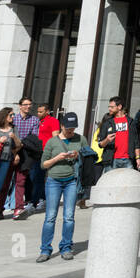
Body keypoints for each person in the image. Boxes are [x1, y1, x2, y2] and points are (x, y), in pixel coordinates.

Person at [38, 112, 86, 262]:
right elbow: (43, 164)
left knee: (69, 217)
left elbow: (90, 154)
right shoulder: (52, 142)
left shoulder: (80, 139)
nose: (71, 131)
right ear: (62, 126)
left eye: (73, 128)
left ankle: (66, 247)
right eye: (68, 128)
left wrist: (78, 154)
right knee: (50, 217)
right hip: (54, 181)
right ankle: (45, 250)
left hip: (72, 180)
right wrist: (57, 158)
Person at [11, 97, 40, 219]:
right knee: (5, 181)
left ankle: (19, 207)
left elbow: (34, 137)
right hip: (11, 151)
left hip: (26, 153)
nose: (28, 107)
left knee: (21, 181)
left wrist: (21, 143)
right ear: (20, 106)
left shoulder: (34, 120)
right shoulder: (13, 119)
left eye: (30, 104)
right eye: (26, 104)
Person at [97, 97, 140, 173]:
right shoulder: (107, 123)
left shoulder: (131, 122)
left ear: (119, 107)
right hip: (111, 160)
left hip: (128, 160)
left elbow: (136, 142)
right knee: (110, 184)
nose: (109, 109)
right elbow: (100, 144)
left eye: (112, 107)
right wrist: (107, 140)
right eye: (109, 107)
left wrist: (138, 158)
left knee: (127, 183)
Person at [31, 102, 59, 212]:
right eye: (37, 111)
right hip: (36, 151)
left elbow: (55, 136)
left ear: (47, 111)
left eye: (41, 112)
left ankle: (39, 200)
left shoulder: (53, 121)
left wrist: (53, 151)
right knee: (36, 176)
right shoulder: (37, 121)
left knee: (40, 176)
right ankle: (40, 198)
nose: (38, 114)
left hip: (46, 152)